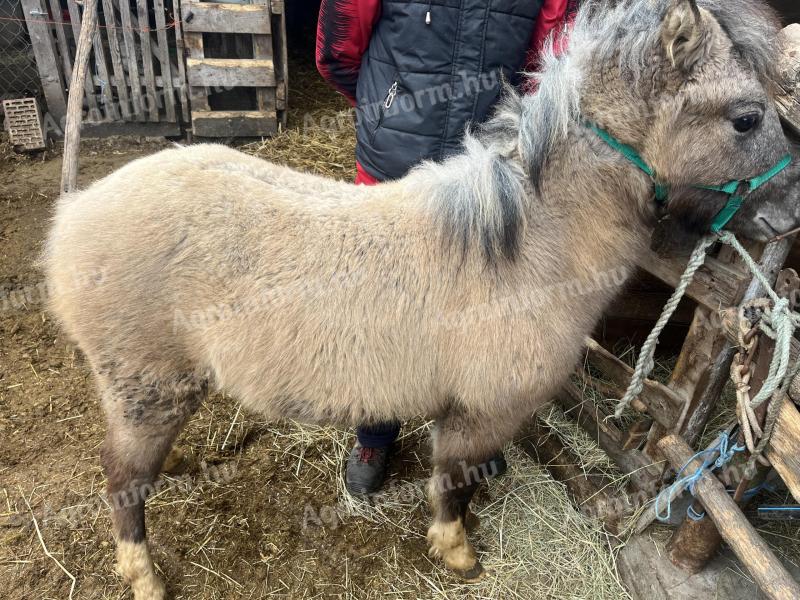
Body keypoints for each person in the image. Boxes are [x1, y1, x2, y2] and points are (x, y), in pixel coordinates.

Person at [316, 0, 580, 495]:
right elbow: (337, 50)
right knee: (382, 302)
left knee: (482, 306)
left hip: (486, 167)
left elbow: (548, 62)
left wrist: (511, 130)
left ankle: (468, 430)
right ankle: (375, 431)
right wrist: (386, 110)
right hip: (395, 159)